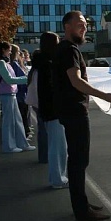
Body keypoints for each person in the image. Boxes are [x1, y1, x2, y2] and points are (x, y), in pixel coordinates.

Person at [53, 10, 111, 221]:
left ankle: (81, 203)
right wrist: (104, 96)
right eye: (79, 23)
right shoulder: (69, 50)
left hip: (69, 110)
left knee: (78, 160)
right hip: (74, 111)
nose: (84, 27)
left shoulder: (64, 49)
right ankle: (81, 210)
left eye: (85, 24)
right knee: (79, 160)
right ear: (67, 26)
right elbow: (76, 81)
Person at [34, 32, 68, 189]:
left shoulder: (43, 62)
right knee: (57, 146)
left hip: (49, 109)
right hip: (53, 110)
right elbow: (53, 88)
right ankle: (57, 179)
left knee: (58, 145)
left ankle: (58, 176)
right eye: (57, 41)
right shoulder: (48, 64)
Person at [0, 41, 35, 153]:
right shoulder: (1, 63)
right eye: (8, 50)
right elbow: (9, 79)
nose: (10, 52)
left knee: (17, 120)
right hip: (6, 95)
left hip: (11, 94)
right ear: (3, 50)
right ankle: (9, 146)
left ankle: (22, 143)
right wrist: (26, 79)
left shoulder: (5, 63)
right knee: (9, 122)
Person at [10, 44, 32, 139]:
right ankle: (24, 134)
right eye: (18, 52)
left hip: (19, 93)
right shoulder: (15, 64)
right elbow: (22, 77)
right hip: (21, 94)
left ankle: (24, 132)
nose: (20, 53)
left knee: (22, 114)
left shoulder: (13, 63)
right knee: (23, 114)